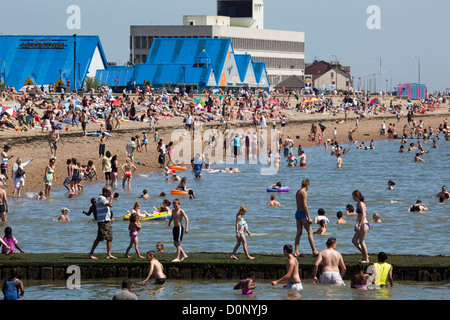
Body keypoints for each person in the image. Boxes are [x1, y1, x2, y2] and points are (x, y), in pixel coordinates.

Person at [89, 186, 117, 259]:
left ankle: (109, 254)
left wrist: (112, 197)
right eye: (109, 192)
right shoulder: (101, 198)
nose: (111, 193)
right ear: (105, 192)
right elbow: (110, 205)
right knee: (99, 237)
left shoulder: (104, 198)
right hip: (103, 222)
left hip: (107, 221)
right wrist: (111, 198)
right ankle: (91, 253)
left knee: (109, 237)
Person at [294, 179, 318, 257]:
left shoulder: (298, 192)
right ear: (307, 185)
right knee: (310, 231)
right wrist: (309, 217)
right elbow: (305, 206)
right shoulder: (304, 193)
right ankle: (314, 251)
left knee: (299, 233)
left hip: (297, 213)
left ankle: (296, 251)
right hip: (302, 214)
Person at [352, 190, 370, 263]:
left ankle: (366, 259)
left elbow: (363, 215)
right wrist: (356, 224)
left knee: (362, 242)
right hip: (360, 224)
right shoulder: (357, 204)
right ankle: (365, 255)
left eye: (353, 196)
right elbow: (358, 216)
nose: (352, 198)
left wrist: (360, 225)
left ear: (357, 196)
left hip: (364, 224)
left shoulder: (361, 204)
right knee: (354, 240)